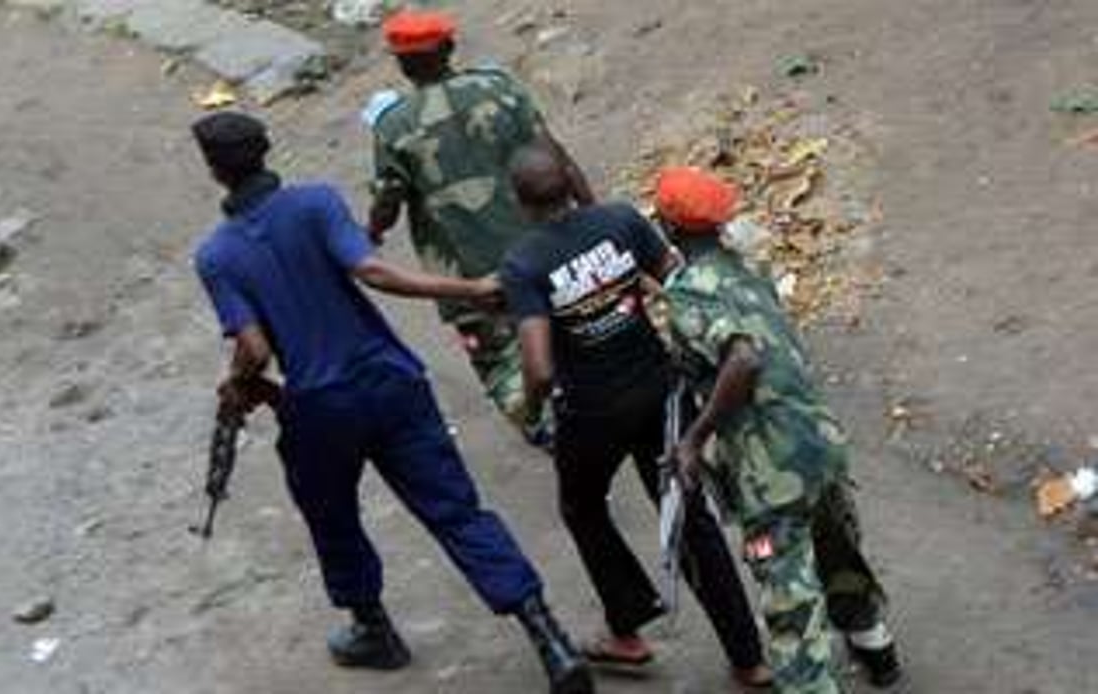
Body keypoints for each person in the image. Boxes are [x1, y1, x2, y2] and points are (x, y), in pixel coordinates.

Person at [190, 111, 594, 694]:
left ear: (214, 172)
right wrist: (471, 288)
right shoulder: (317, 203)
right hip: (391, 381)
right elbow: (371, 270)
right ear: (265, 153)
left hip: (319, 408)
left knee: (331, 516)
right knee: (456, 510)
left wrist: (237, 384)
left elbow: (252, 348)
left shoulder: (218, 255)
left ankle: (373, 627)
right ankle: (548, 637)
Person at [498, 145, 772, 688]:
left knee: (582, 507)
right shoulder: (620, 219)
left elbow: (539, 367)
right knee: (690, 521)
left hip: (591, 416)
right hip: (660, 395)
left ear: (520, 202)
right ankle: (749, 659)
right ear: (570, 182)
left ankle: (627, 629)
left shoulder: (523, 262)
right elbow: (676, 278)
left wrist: (532, 412)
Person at [655, 167, 902, 693]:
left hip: (770, 468)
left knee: (791, 608)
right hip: (817, 440)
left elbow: (741, 358)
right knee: (837, 548)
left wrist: (694, 440)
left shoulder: (687, 296)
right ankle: (876, 649)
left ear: (669, 227)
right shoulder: (750, 266)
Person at [368, 9, 594, 444]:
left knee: (499, 360)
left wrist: (372, 232)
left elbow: (388, 202)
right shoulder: (500, 88)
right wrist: (590, 215)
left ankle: (540, 425)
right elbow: (555, 156)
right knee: (569, 326)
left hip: (470, 276)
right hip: (544, 246)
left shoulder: (393, 126)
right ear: (449, 48)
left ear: (400, 63)